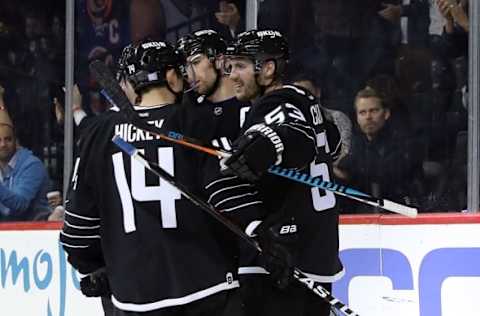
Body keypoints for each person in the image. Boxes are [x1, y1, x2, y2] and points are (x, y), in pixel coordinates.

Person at [60, 39, 242, 316]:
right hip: (207, 288)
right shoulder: (196, 122)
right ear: (170, 76)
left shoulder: (98, 134)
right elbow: (231, 200)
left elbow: (76, 234)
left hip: (134, 297)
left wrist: (102, 266)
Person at [221, 29, 344, 316]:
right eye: (230, 66)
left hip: (283, 254)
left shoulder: (275, 104)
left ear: (267, 68)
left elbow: (293, 137)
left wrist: (268, 143)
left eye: (240, 65)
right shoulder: (306, 99)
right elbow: (334, 143)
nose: (232, 75)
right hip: (319, 251)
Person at [335, 87, 423, 212]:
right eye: (362, 112)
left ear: (386, 113)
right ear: (357, 118)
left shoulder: (403, 142)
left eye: (374, 111)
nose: (368, 117)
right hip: (360, 216)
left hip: (398, 213)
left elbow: (384, 174)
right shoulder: (354, 144)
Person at [0, 100, 50, 221]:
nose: (3, 145)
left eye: (8, 139)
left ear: (16, 141)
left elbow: (20, 204)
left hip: (33, 233)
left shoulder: (32, 165)